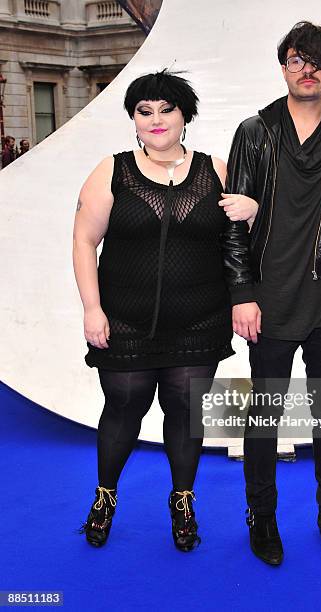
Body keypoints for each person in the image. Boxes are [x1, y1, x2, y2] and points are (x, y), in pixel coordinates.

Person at [72, 70, 251, 551]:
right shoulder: (112, 170)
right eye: (144, 111)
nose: (156, 120)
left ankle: (183, 499)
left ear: (184, 116)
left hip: (200, 320)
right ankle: (105, 496)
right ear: (133, 118)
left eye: (166, 109)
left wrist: (255, 210)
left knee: (185, 410)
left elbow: (242, 237)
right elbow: (85, 241)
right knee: (123, 409)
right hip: (124, 321)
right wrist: (93, 308)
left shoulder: (217, 169)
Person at [224, 21, 321, 566]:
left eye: (318, 61)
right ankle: (261, 517)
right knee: (264, 415)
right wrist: (242, 293)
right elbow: (233, 222)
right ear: (283, 65)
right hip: (269, 296)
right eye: (297, 58)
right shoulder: (254, 131)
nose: (306, 69)